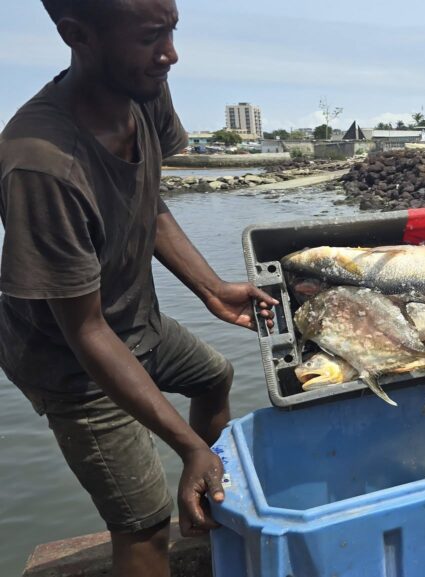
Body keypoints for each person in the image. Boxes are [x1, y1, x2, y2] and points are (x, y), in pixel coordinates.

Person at [0, 1, 278, 575]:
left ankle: (203, 508)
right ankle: (172, 510)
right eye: (151, 37)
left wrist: (211, 289)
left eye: (172, 31)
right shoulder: (40, 165)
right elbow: (84, 331)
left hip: (132, 319)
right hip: (72, 360)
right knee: (142, 521)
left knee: (212, 375)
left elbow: (146, 205)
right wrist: (188, 445)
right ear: (76, 35)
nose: (170, 54)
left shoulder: (143, 88)